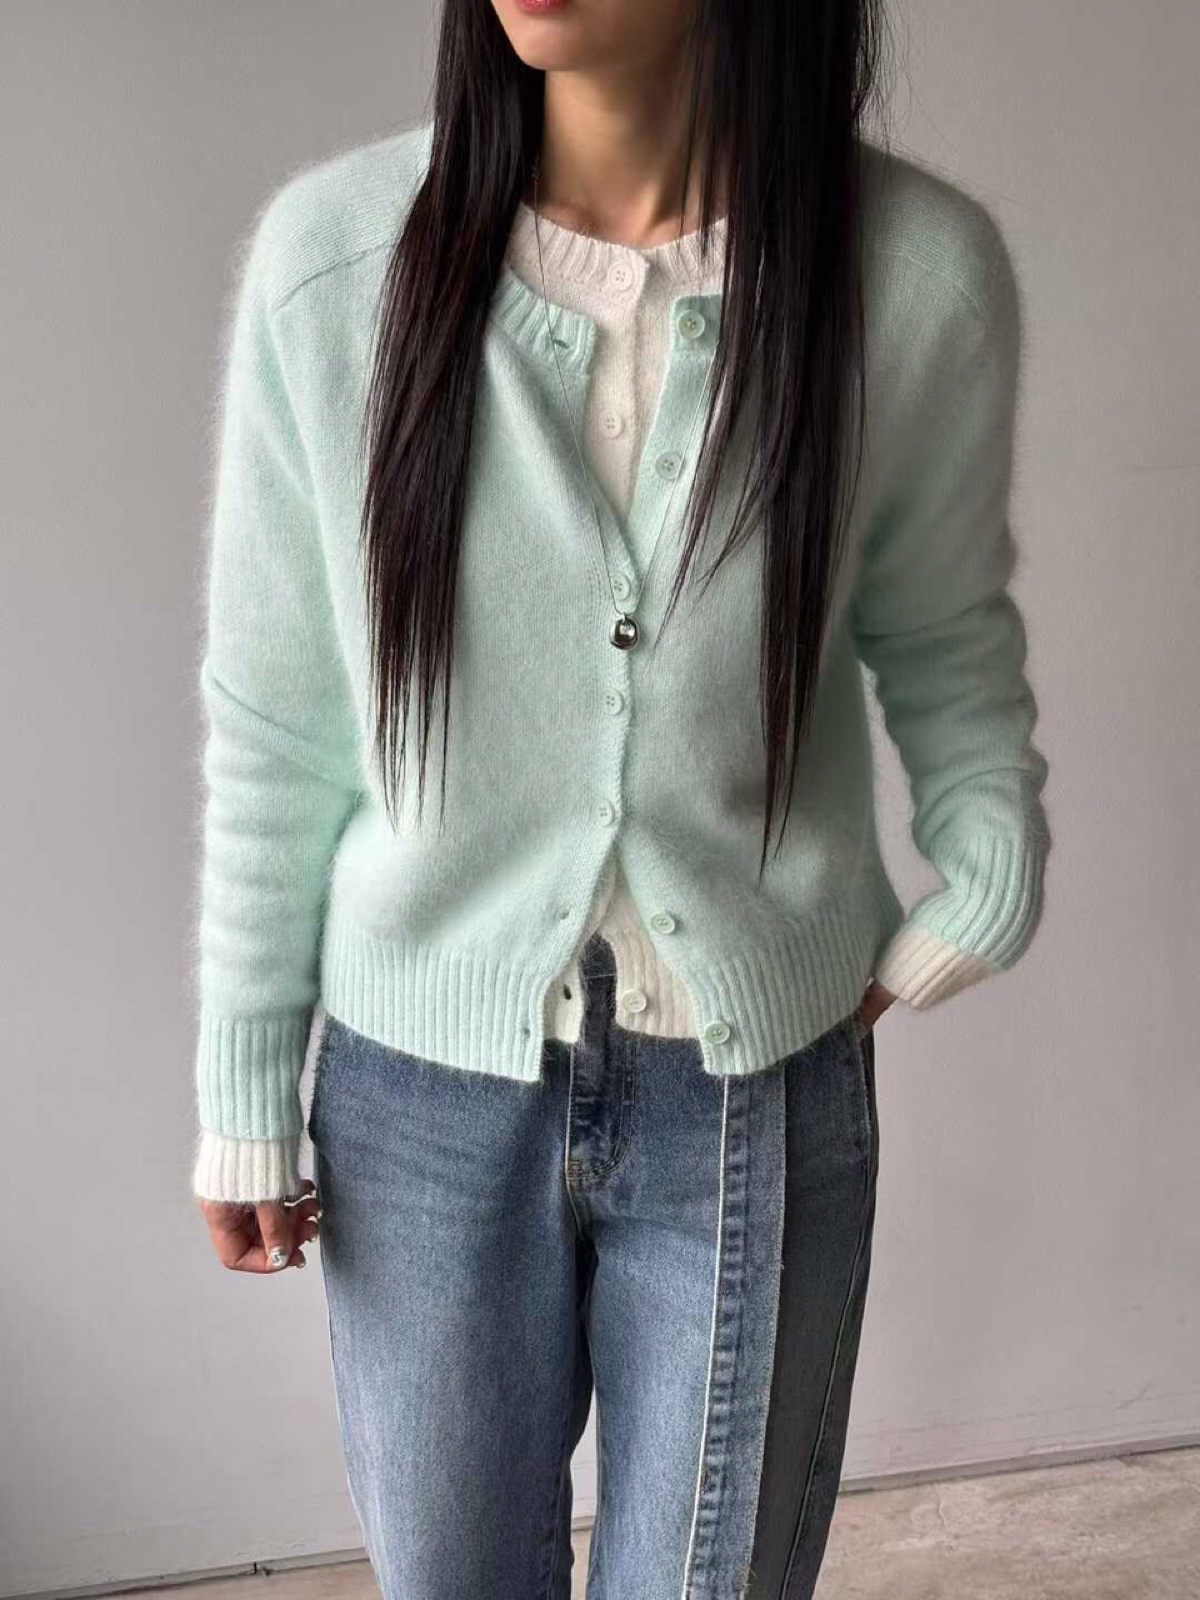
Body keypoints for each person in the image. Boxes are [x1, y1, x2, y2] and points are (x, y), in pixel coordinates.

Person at [188, 1, 1052, 1594]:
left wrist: (986, 864)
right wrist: (244, 1086)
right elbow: (277, 717)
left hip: (750, 1089)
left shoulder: (911, 275)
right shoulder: (337, 261)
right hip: (420, 1097)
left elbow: (944, 630)